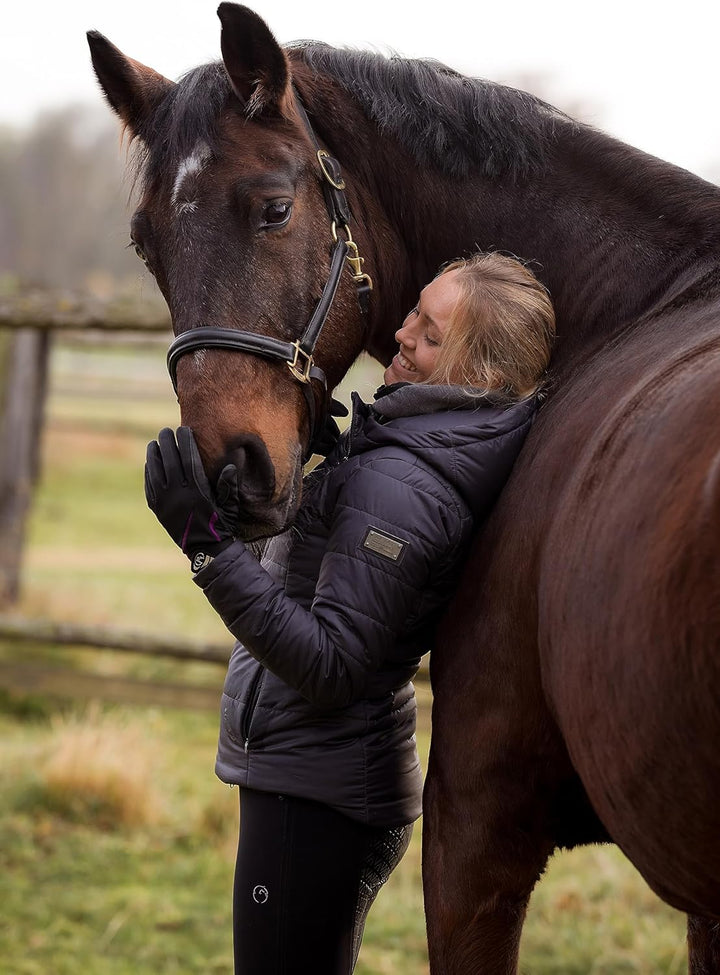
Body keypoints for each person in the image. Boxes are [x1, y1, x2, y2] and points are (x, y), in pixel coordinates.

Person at [144, 251, 556, 974]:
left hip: (317, 791)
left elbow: (331, 663)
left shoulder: (404, 484)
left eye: (430, 334)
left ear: (480, 375)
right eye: (414, 314)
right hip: (317, 776)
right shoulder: (403, 453)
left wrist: (204, 545)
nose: (400, 334)